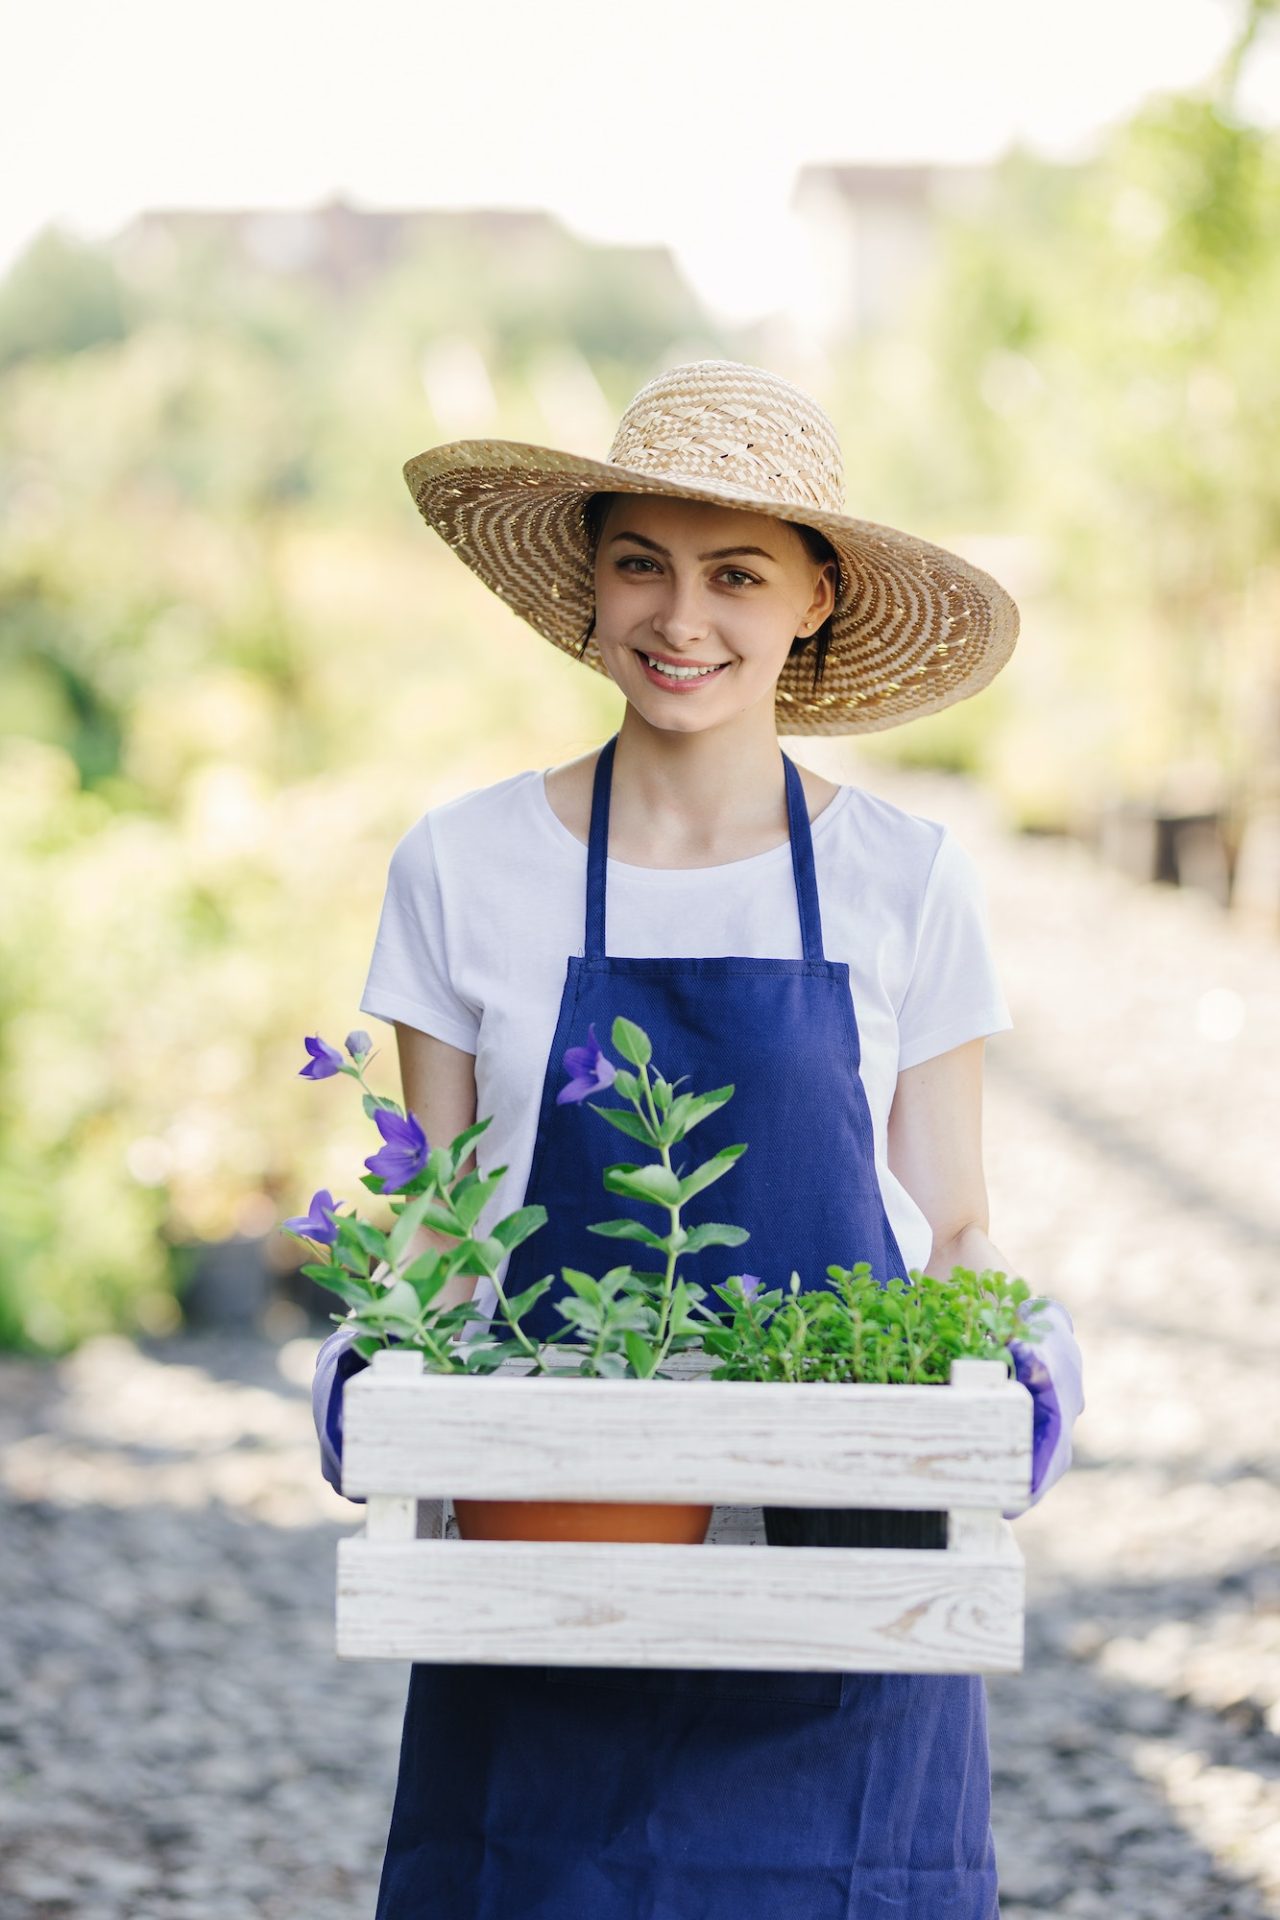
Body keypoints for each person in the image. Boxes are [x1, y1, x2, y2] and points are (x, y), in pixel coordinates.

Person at [312, 357, 1085, 1919]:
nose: (682, 619)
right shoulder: (464, 869)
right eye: (639, 564)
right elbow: (445, 1220)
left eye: (736, 573)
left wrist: (1020, 1350)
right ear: (588, 586)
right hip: (554, 1541)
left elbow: (951, 1230)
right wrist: (377, 1354)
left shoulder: (904, 879)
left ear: (814, 597)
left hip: (847, 1559)